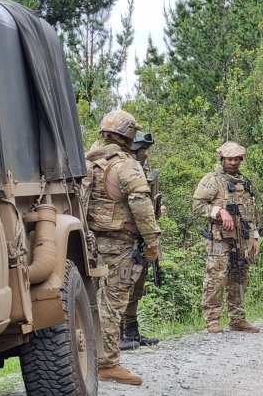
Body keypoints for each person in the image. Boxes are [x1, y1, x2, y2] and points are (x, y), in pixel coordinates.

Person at [83, 110, 161, 386]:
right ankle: (108, 364)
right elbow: (141, 203)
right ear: (128, 135)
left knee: (93, 301)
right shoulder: (126, 164)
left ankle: (90, 358)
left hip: (91, 241)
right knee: (113, 302)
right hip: (120, 244)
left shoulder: (91, 158)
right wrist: (152, 241)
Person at [192, 141, 260, 334]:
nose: (233, 162)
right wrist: (219, 212)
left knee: (240, 276)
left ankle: (237, 318)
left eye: (237, 159)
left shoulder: (244, 182)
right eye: (230, 159)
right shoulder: (212, 180)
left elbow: (251, 212)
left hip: (243, 238)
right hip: (219, 238)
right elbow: (197, 207)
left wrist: (255, 236)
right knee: (216, 277)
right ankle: (212, 319)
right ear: (222, 159)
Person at [119, 131, 162, 350]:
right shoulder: (120, 169)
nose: (144, 154)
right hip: (123, 238)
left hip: (141, 238)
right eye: (140, 150)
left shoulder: (141, 171)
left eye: (145, 151)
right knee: (121, 286)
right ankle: (118, 335)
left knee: (137, 286)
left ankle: (132, 332)